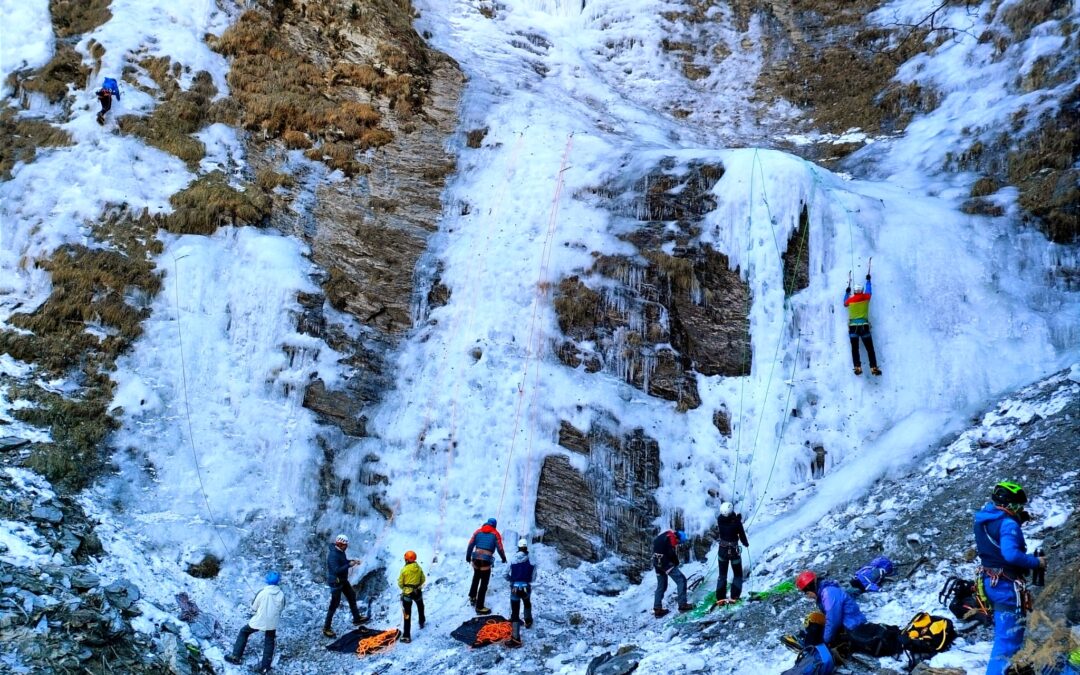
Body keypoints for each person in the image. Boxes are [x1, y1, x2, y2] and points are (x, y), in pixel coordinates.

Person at [974, 481, 1046, 675]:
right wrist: (1036, 563)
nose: (1019, 509)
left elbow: (996, 535)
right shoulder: (1007, 523)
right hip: (1007, 586)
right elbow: (1011, 554)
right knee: (1007, 643)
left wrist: (1017, 520)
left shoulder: (984, 518)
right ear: (1008, 504)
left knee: (1004, 637)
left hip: (990, 581)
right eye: (1017, 506)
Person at [225, 571, 285, 673]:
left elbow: (253, 607)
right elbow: (281, 607)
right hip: (272, 622)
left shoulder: (262, 592)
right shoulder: (281, 594)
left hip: (260, 620)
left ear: (267, 581)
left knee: (244, 632)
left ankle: (236, 656)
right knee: (269, 641)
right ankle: (265, 668)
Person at [795, 570, 867, 648]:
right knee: (813, 618)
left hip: (852, 628)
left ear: (810, 588)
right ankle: (809, 643)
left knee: (819, 636)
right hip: (846, 624)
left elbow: (833, 621)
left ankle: (810, 647)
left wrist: (826, 640)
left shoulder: (828, 593)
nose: (808, 597)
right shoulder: (824, 591)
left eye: (807, 593)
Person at [322, 534, 365, 638]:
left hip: (343, 580)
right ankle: (326, 628)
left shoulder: (340, 552)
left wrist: (351, 561)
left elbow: (342, 562)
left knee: (351, 595)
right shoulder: (333, 555)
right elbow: (336, 569)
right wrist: (349, 565)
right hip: (336, 582)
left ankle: (356, 618)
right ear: (340, 545)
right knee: (334, 605)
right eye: (345, 545)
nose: (347, 546)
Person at [465, 517, 506, 615]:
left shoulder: (477, 532)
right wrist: (503, 558)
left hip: (475, 558)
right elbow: (500, 548)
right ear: (494, 525)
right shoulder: (495, 534)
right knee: (484, 583)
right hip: (486, 560)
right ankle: (479, 607)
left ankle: (472, 596)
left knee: (476, 577)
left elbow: (470, 545)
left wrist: (468, 556)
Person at [844, 273, 881, 376]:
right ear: (861, 290)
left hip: (853, 328)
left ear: (854, 291)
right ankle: (873, 368)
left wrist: (847, 292)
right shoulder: (866, 298)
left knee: (855, 349)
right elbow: (869, 291)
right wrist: (868, 280)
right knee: (870, 349)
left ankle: (858, 367)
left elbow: (844, 303)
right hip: (864, 327)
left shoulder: (850, 300)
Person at [714, 502, 749, 604]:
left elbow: (728, 520)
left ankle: (720, 598)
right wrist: (746, 543)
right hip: (734, 552)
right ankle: (734, 596)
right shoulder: (737, 523)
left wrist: (735, 518)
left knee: (722, 575)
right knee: (737, 574)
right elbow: (742, 535)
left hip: (722, 551)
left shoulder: (720, 520)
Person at [652, 529, 692, 617]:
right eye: (679, 542)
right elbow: (672, 555)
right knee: (681, 580)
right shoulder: (671, 541)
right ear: (677, 538)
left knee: (661, 585)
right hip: (664, 562)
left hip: (656, 561)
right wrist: (676, 563)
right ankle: (682, 605)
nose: (678, 544)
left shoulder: (666, 535)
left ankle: (657, 609)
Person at [505, 538, 535, 647]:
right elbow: (533, 576)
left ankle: (516, 639)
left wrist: (511, 580)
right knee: (527, 603)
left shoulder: (513, 559)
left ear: (518, 547)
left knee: (515, 612)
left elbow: (505, 574)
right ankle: (528, 621)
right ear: (526, 547)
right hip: (526, 587)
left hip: (515, 588)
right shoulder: (531, 559)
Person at [397, 550, 425, 644]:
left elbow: (400, 583)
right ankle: (422, 621)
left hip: (407, 594)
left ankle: (406, 636)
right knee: (420, 606)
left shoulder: (404, 570)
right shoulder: (419, 568)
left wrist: (405, 589)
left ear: (407, 560)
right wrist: (417, 586)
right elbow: (423, 579)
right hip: (417, 591)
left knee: (407, 615)